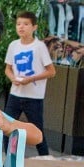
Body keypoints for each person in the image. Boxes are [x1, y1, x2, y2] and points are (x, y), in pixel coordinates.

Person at [4, 11, 55, 157]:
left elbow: (51, 71)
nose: (21, 27)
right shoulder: (13, 45)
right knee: (7, 127)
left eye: (26, 24)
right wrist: (12, 78)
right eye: (19, 24)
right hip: (15, 94)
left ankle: (46, 159)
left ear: (34, 27)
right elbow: (7, 68)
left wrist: (31, 79)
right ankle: (8, 159)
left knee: (38, 131)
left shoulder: (39, 47)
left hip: (34, 97)